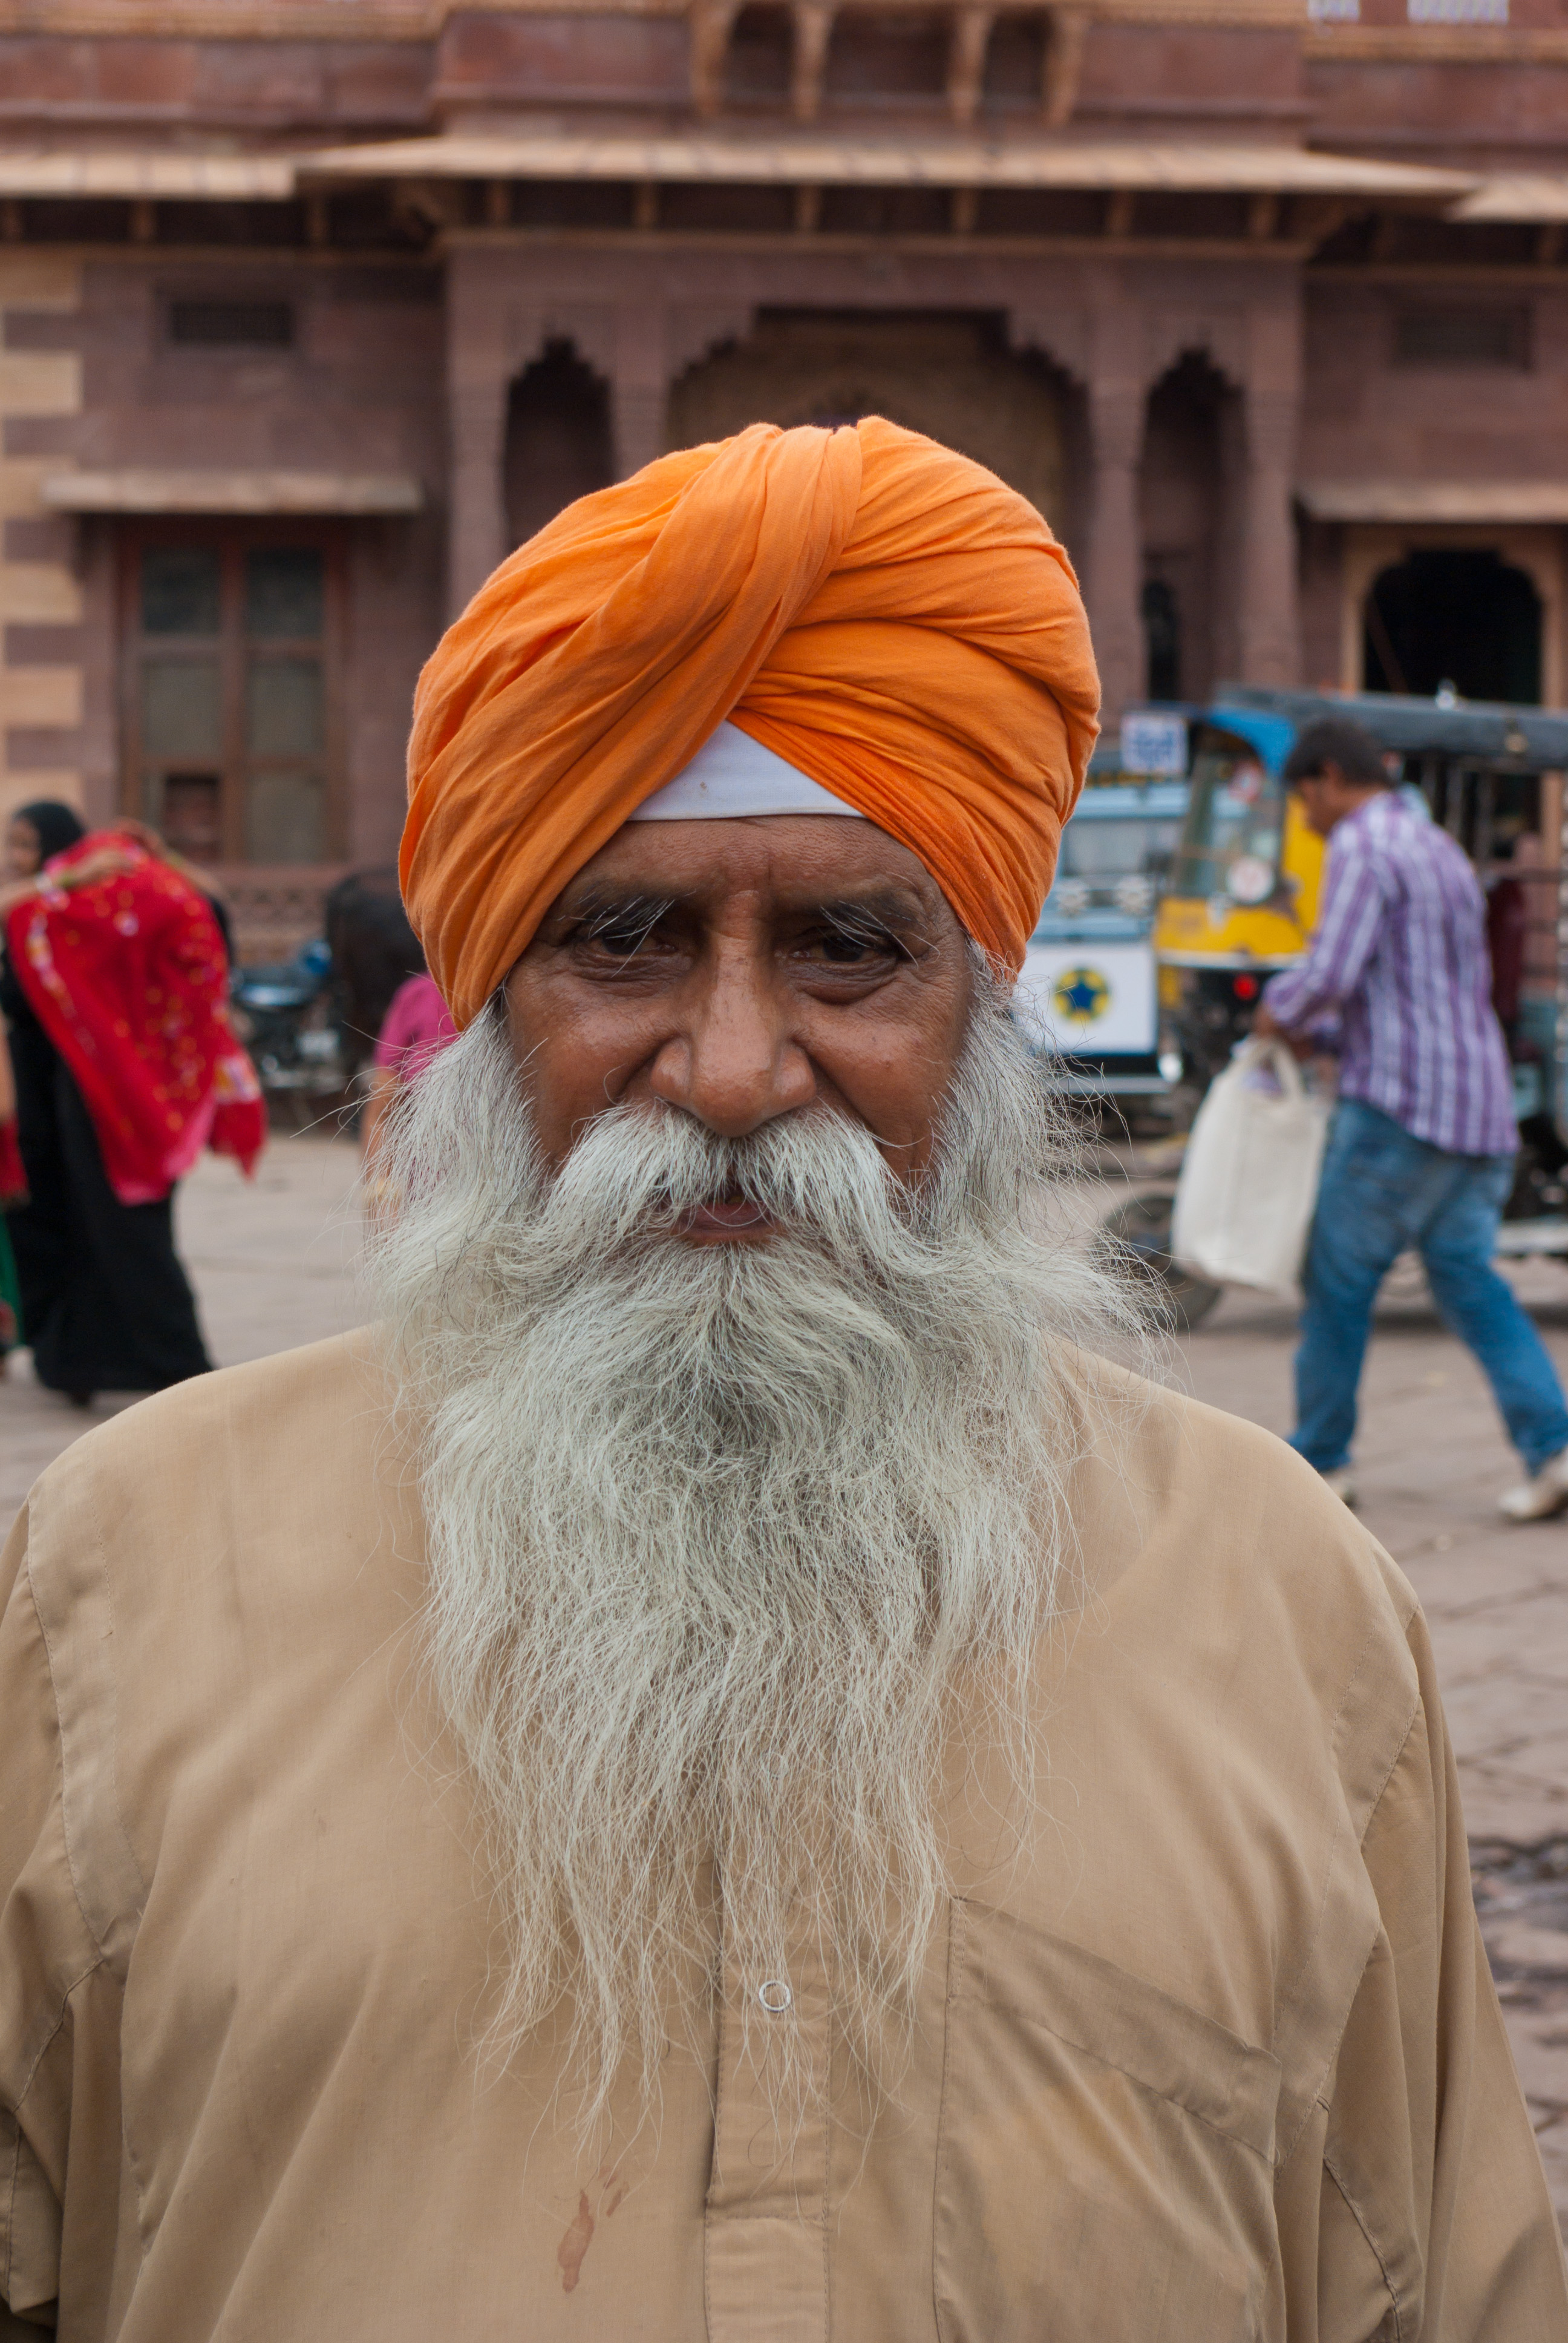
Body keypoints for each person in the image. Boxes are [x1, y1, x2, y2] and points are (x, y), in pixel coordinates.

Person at [1, 425, 1563, 2339]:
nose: (734, 1071)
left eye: (847, 950)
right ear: (489, 1005)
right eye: (622, 940)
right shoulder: (123, 1579)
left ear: (983, 1014)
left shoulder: (1291, 1609)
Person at [1255, 717, 1568, 1521]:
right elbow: (1407, 988)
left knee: (1335, 1281)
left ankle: (1322, 1460)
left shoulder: (1361, 847)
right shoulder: (1438, 847)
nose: (1306, 817)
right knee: (1469, 1281)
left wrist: (1277, 1017)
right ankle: (1554, 1447)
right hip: (1479, 1104)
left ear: (1325, 778)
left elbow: (1331, 974)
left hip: (1401, 1105)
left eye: (1303, 799)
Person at [0, 800, 264, 1406]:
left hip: (110, 1097)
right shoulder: (42, 905)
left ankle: (179, 1366)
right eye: (12, 845)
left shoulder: (91, 908)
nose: (17, 857)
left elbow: (208, 918)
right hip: (45, 1102)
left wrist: (161, 859)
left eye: (27, 844)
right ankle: (76, 1362)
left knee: (124, 1229)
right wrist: (52, 881)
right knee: (66, 1228)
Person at [360, 966, 457, 1181]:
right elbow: (380, 1116)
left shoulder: (510, 996)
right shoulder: (419, 995)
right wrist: (381, 1192)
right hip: (424, 1191)